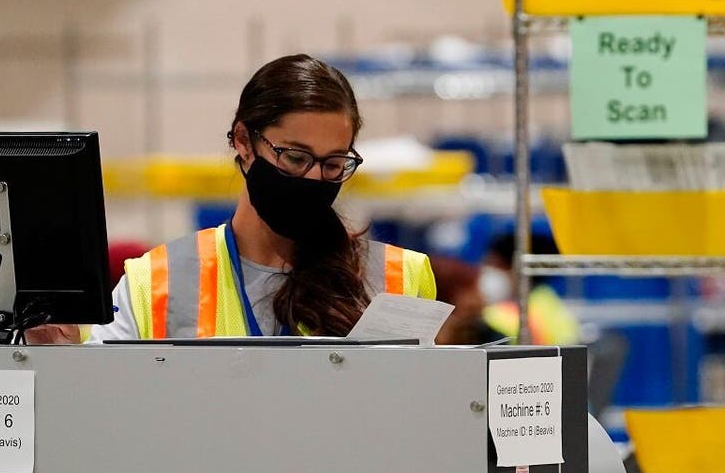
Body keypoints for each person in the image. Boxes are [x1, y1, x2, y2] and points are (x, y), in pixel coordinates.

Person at [33, 55, 436, 343]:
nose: (314, 178)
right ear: (244, 142)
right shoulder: (155, 282)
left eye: (333, 164)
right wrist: (60, 356)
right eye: (295, 157)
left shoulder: (401, 279)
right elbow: (101, 411)